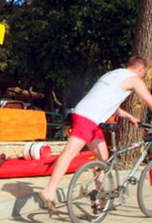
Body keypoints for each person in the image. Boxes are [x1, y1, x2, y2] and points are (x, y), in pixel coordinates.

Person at [39, 56, 152, 213]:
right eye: (143, 74)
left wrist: (129, 116)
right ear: (141, 70)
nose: (142, 77)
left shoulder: (112, 74)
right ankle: (49, 191)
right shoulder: (134, 79)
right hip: (88, 118)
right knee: (69, 152)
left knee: (103, 158)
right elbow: (150, 101)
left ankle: (102, 199)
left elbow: (107, 102)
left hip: (88, 117)